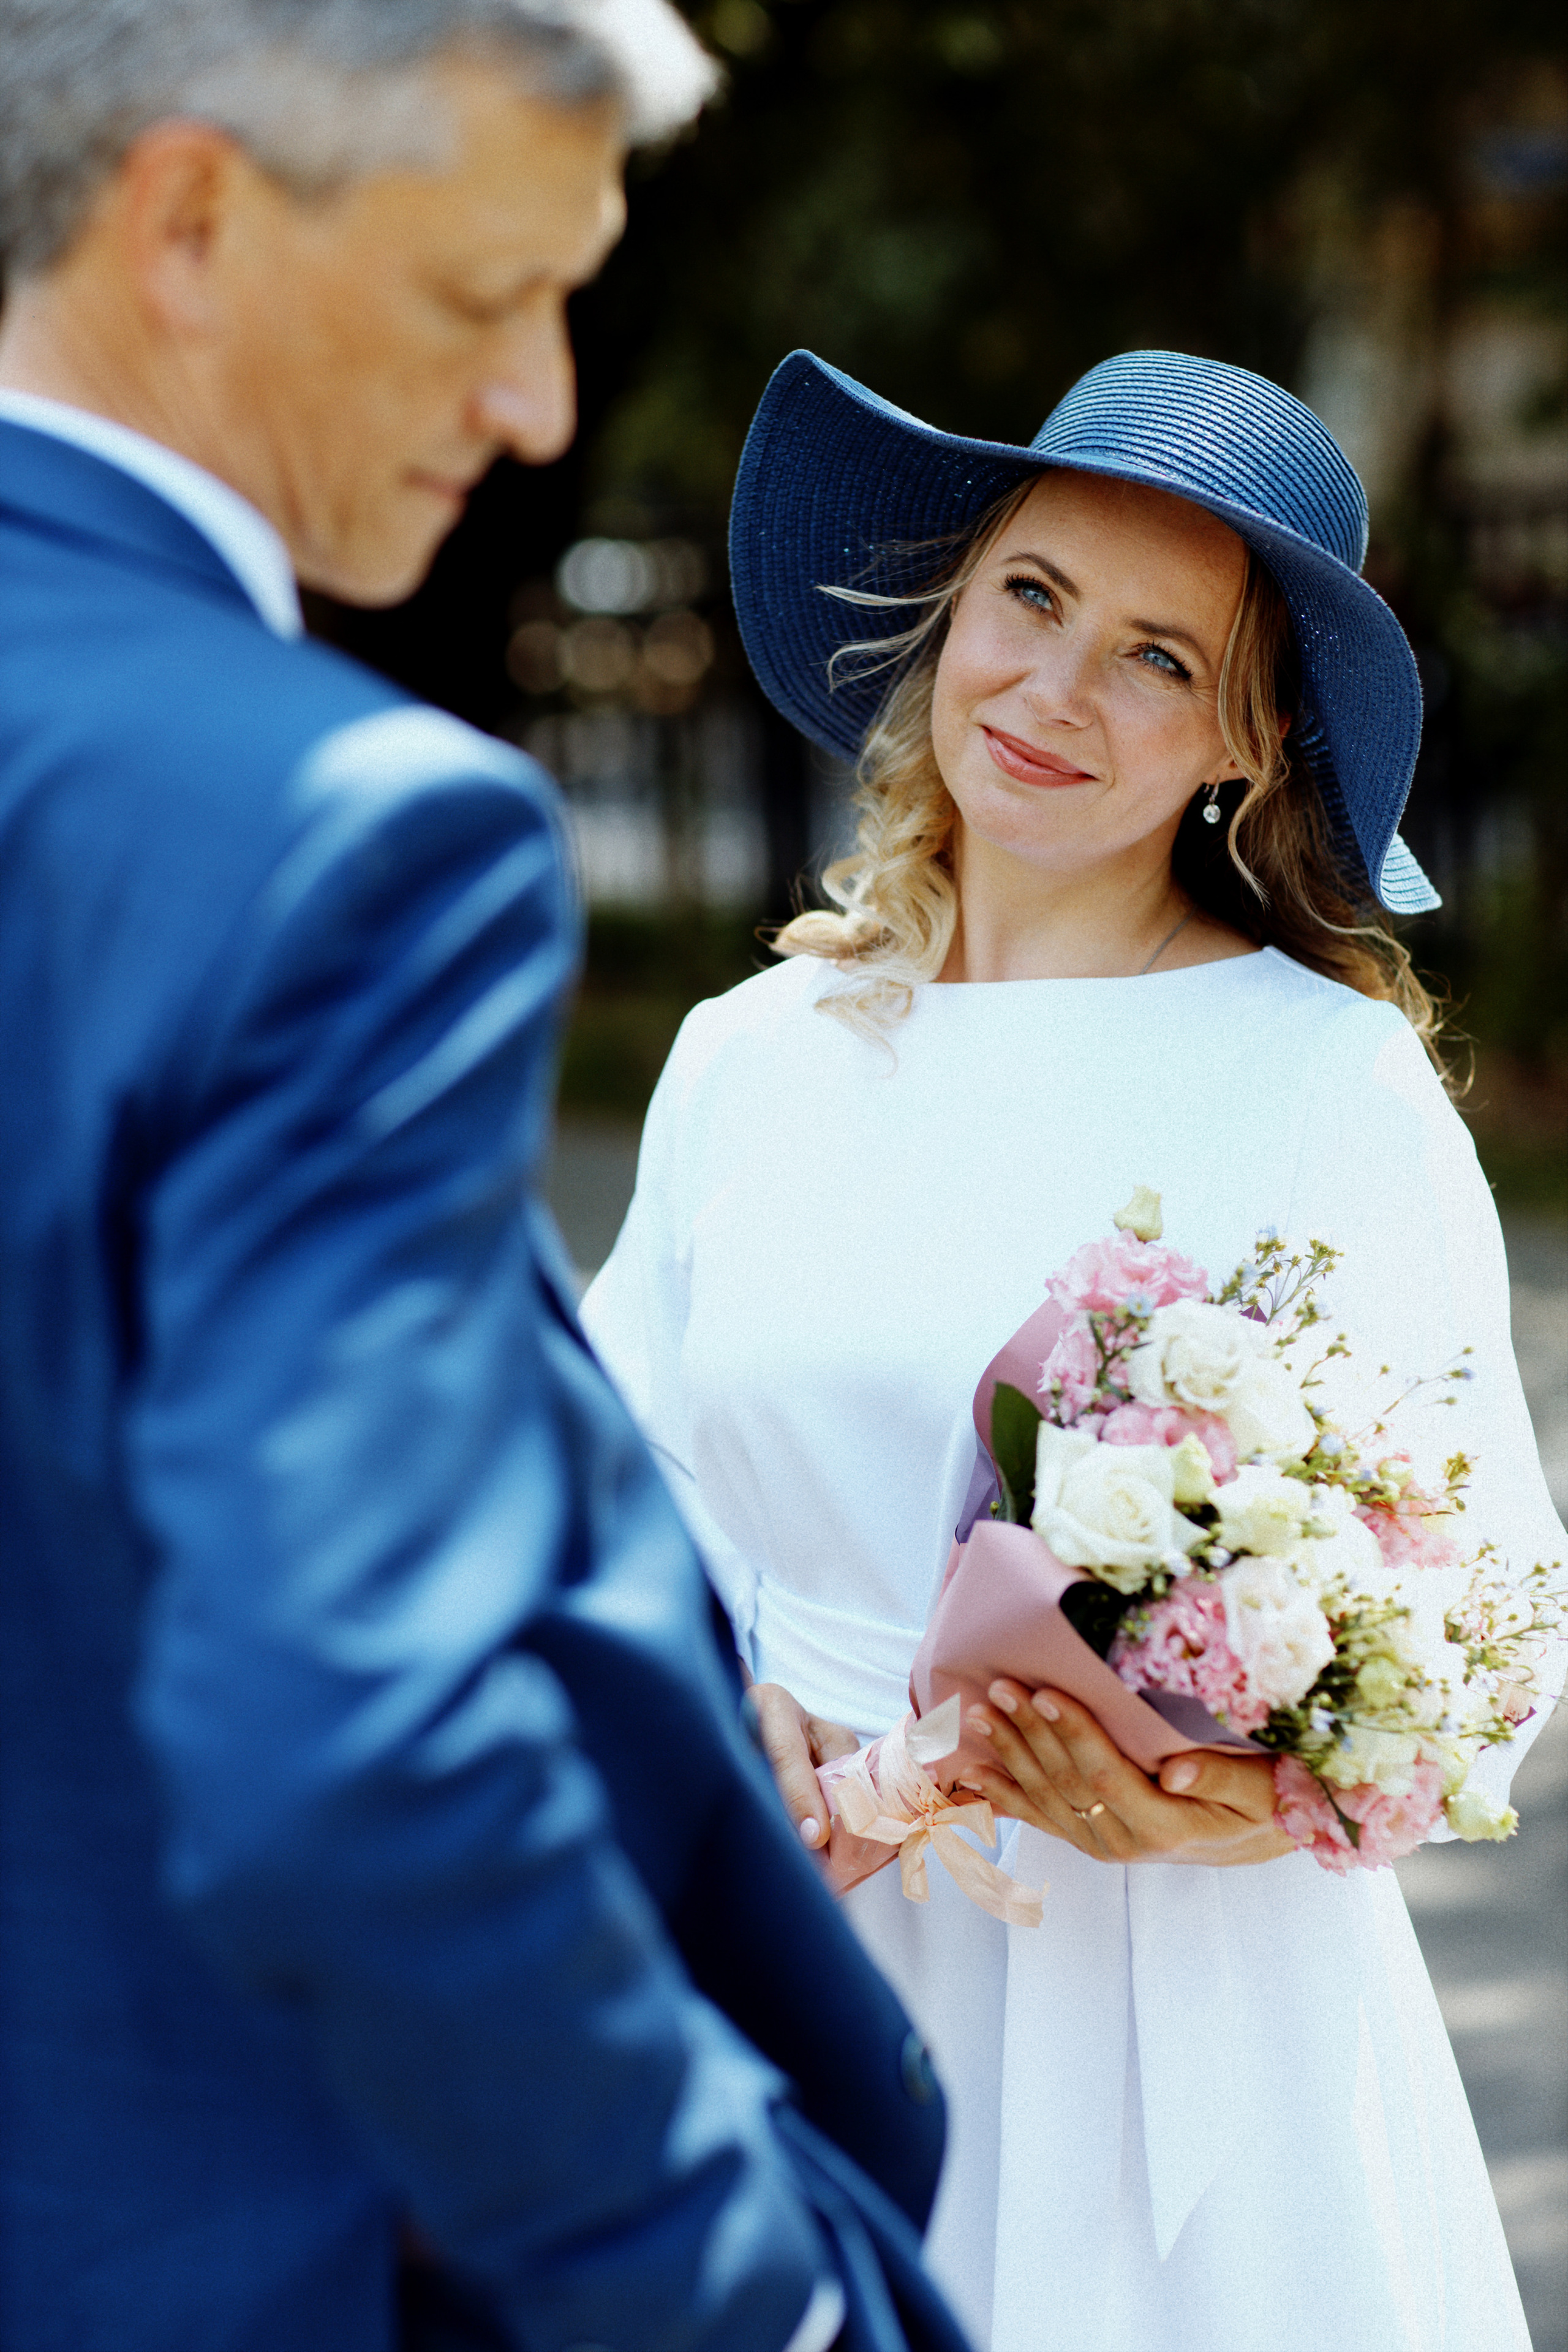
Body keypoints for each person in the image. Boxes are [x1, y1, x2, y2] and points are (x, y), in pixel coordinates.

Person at [0, 15, 974, 2352]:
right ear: (189, 220)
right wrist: (747, 2300)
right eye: (483, 296)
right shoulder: (338, 838)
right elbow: (354, 1741)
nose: (540, 405)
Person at [581, 347, 1567, 2351]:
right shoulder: (746, 1061)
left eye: (1155, 658)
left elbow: (1496, 1624)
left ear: (1245, 745)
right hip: (802, 1940)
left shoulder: (1325, 1080)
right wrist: (715, 1694)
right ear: (953, 607)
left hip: (1184, 2007)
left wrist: (1218, 1809)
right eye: (1030, 598)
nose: (1053, 691)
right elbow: (616, 1484)